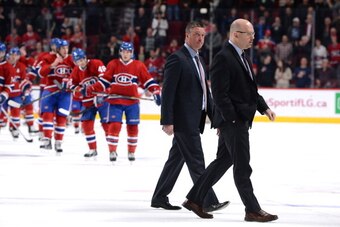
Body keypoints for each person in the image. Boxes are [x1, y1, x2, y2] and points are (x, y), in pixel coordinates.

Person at [182, 18, 278, 222]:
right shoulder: (223, 57)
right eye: (249, 34)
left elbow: (251, 90)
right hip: (234, 122)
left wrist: (264, 107)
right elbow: (219, 93)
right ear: (236, 34)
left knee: (223, 161)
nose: (253, 37)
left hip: (236, 120)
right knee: (242, 166)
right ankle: (252, 209)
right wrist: (231, 120)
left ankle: (194, 199)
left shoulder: (241, 56)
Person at [151, 21, 229, 212]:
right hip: (183, 121)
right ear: (186, 36)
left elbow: (205, 94)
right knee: (196, 160)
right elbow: (167, 92)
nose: (200, 39)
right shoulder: (177, 59)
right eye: (196, 34)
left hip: (195, 120)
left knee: (176, 160)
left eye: (203, 35)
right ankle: (207, 200)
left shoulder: (200, 60)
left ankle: (159, 197)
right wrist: (167, 121)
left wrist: (217, 119)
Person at [81, 42, 161, 162]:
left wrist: (155, 91)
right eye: (124, 51)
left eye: (128, 52)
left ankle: (131, 152)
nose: (126, 54)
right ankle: (112, 151)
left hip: (132, 102)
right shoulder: (113, 64)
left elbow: (148, 80)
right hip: (115, 100)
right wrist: (91, 89)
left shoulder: (138, 65)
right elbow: (104, 82)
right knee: (114, 125)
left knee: (133, 127)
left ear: (132, 53)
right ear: (120, 52)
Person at [69, 48, 109, 157]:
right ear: (75, 62)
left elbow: (105, 79)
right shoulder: (76, 71)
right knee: (86, 125)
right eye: (79, 60)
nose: (82, 62)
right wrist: (78, 91)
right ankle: (92, 150)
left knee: (107, 125)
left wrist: (100, 94)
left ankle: (112, 150)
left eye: (83, 59)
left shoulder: (97, 63)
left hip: (101, 99)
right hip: (88, 102)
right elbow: (73, 87)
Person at [37, 39, 75, 152]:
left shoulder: (72, 59)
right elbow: (40, 73)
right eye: (63, 48)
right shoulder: (48, 58)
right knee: (47, 115)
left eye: (66, 48)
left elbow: (79, 73)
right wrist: (53, 64)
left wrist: (69, 81)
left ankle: (58, 141)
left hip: (65, 93)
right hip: (50, 90)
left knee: (61, 117)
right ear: (58, 49)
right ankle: (47, 139)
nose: (65, 50)